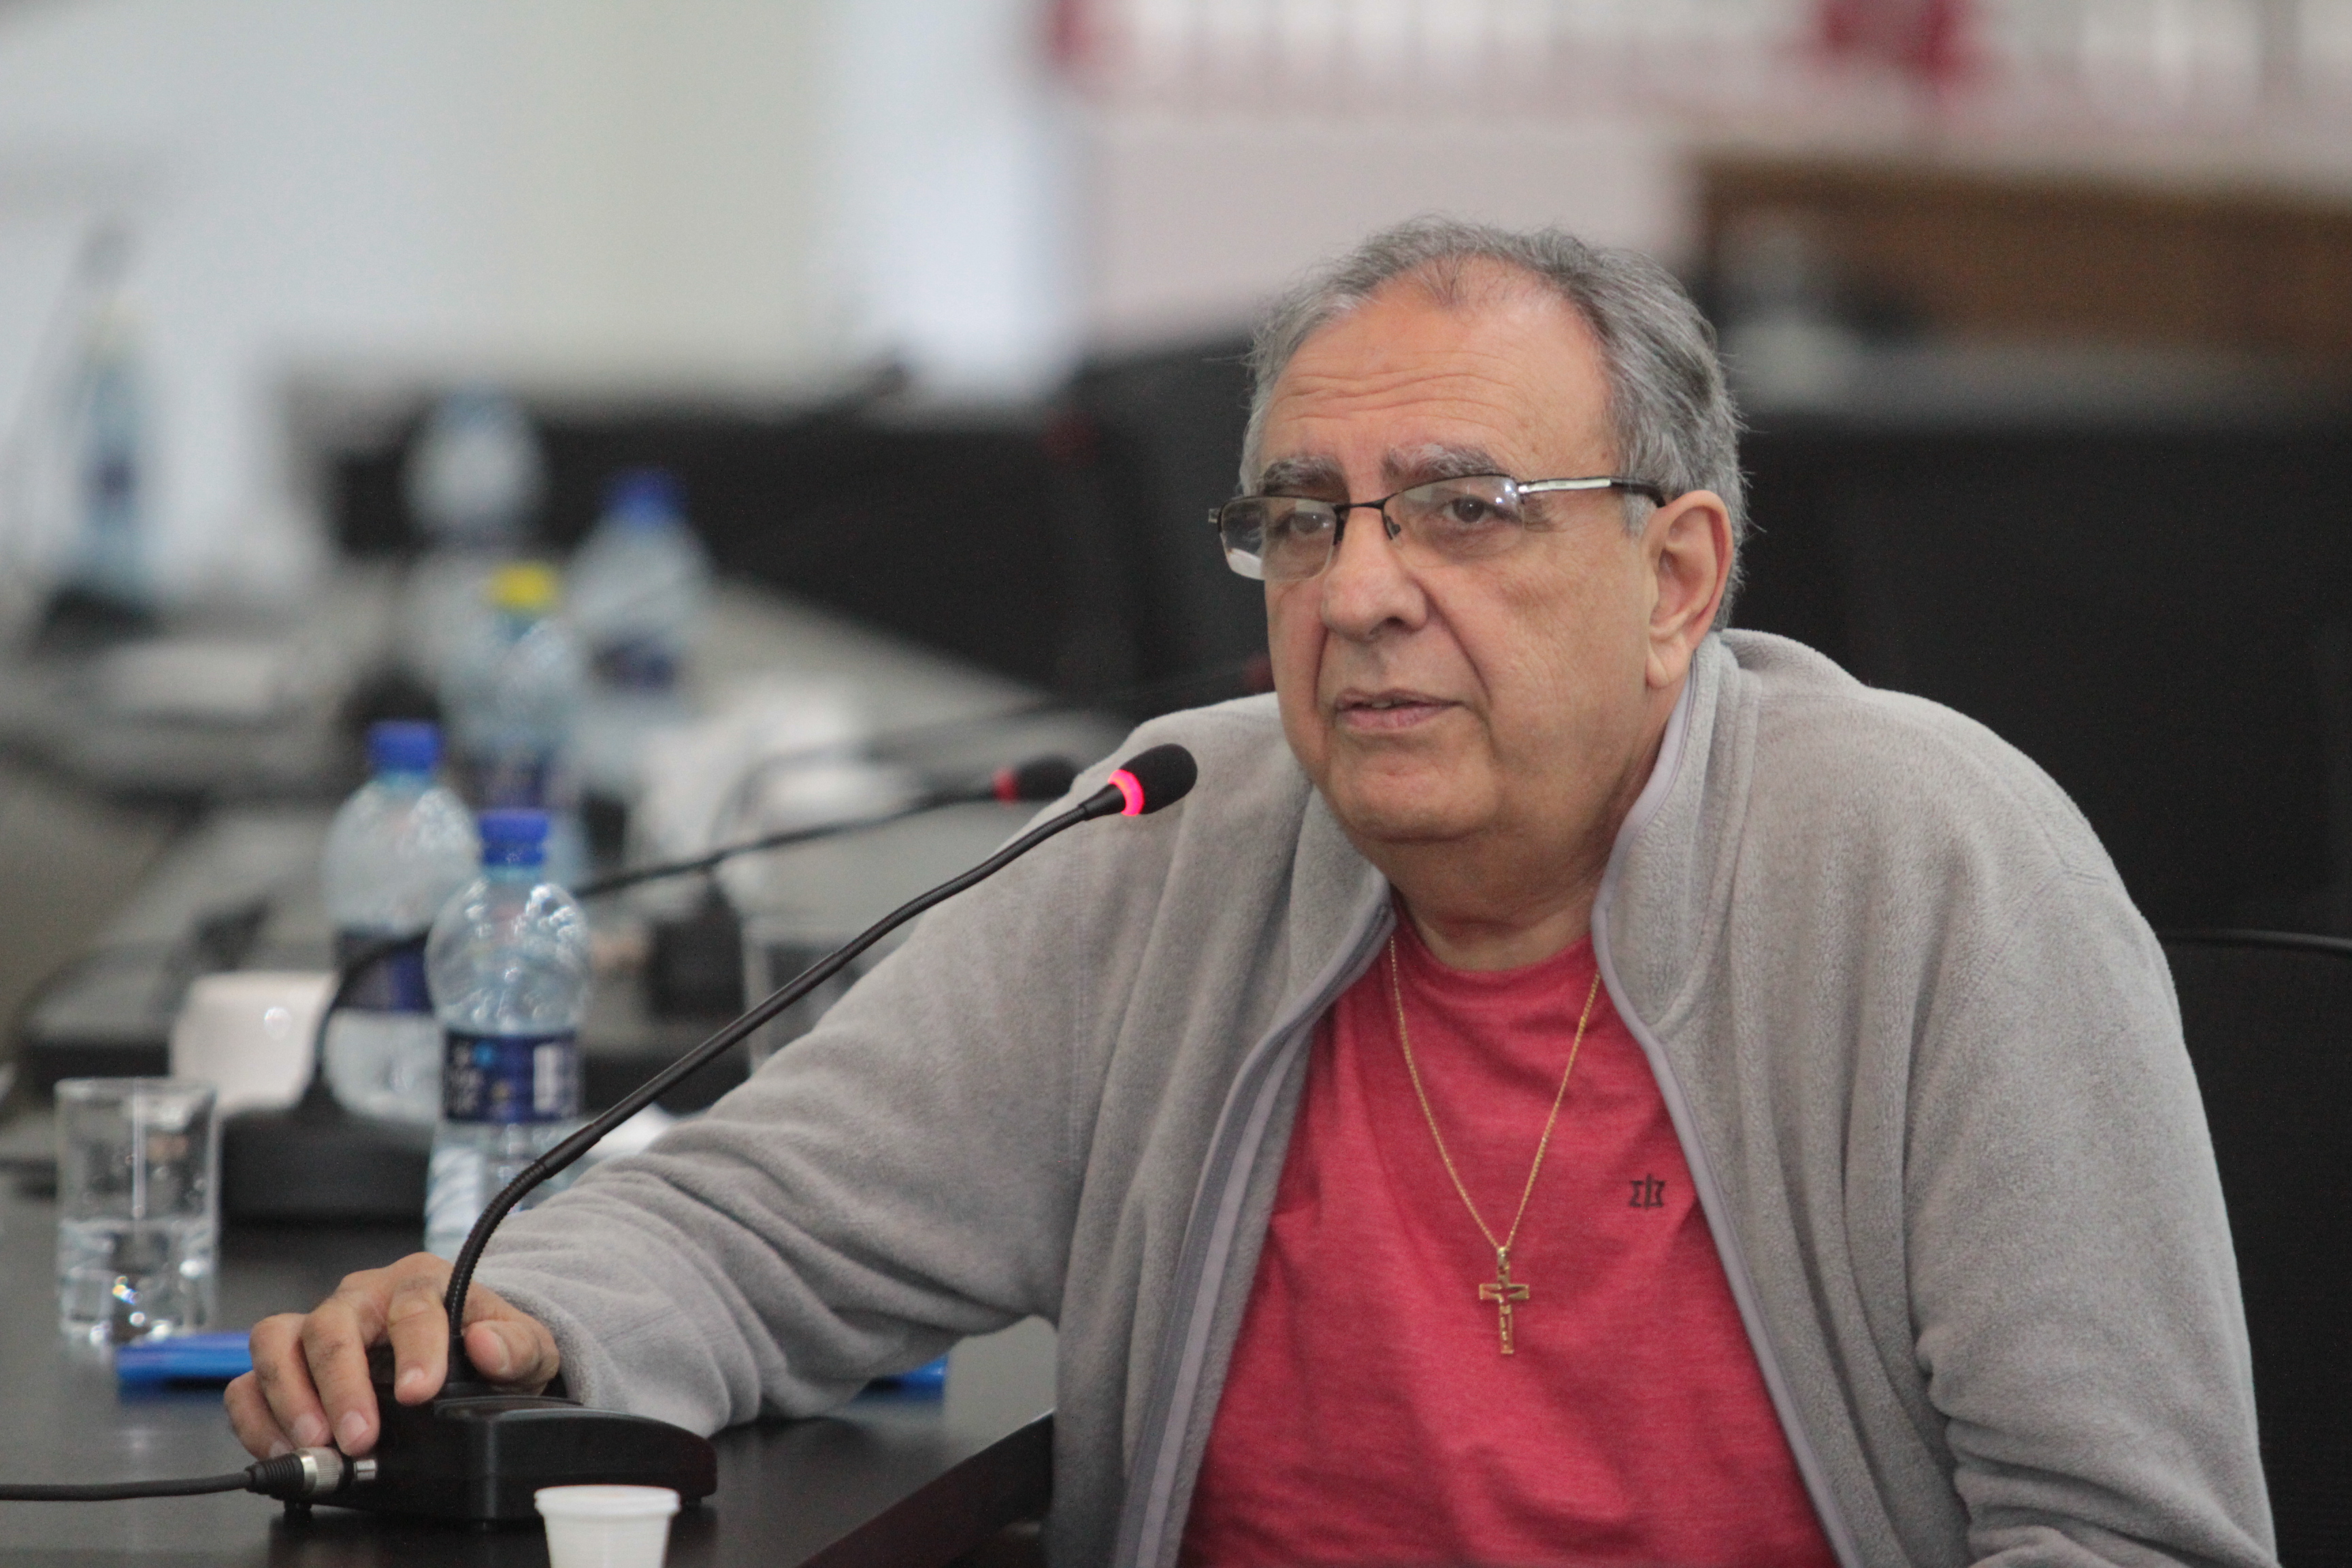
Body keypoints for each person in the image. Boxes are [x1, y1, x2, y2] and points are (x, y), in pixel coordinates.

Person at [230, 218, 2275, 1568]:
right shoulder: (1177, 837)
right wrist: (520, 1313)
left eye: (1466, 511)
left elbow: (2126, 1534)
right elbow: (752, 1225)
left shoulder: (1928, 867)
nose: (1363, 589)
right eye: (1303, 519)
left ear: (1676, 581)